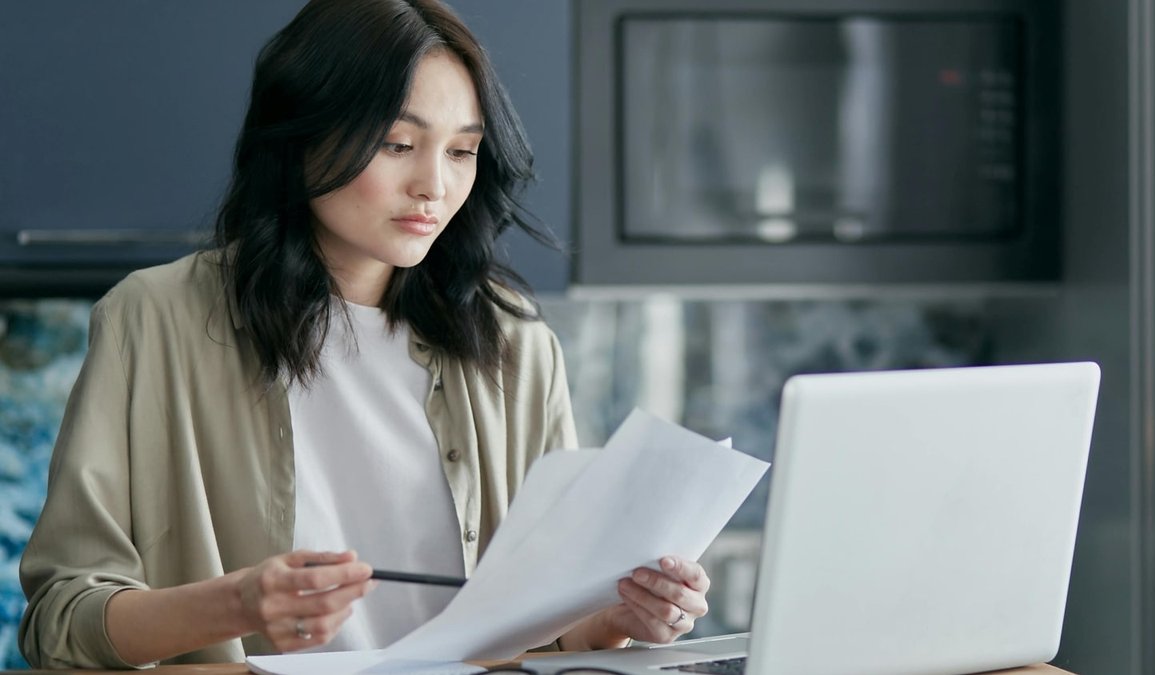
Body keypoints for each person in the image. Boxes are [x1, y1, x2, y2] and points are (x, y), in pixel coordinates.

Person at [17, 0, 711, 668]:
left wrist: (616, 618)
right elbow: (60, 619)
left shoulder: (515, 346)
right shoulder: (155, 318)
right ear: (301, 135)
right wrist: (236, 602)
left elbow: (549, 626)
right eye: (397, 143)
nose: (433, 185)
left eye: (462, 152)